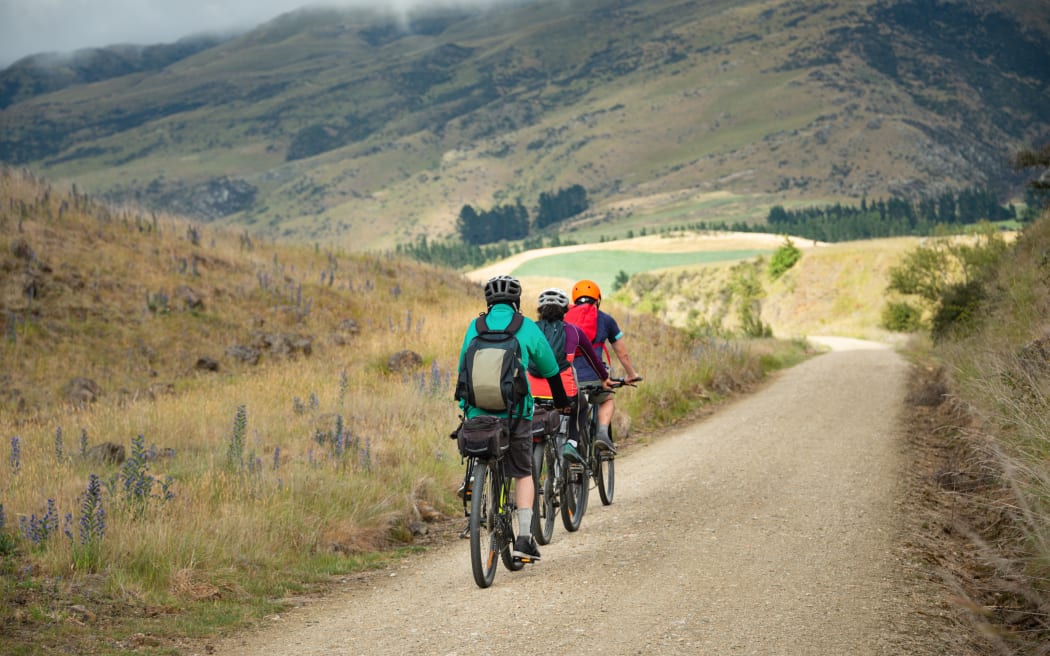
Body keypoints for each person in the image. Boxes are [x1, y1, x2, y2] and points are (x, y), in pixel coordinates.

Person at [457, 275, 571, 562]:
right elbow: (549, 369)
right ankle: (523, 538)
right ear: (516, 301)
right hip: (516, 413)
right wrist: (561, 402)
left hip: (477, 412)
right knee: (522, 472)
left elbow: (462, 369)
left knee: (481, 443)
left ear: (489, 302)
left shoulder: (476, 326)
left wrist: (465, 405)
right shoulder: (526, 327)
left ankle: (474, 479)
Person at [526, 288, 612, 465]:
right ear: (566, 310)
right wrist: (604, 378)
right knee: (581, 407)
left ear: (540, 309)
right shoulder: (573, 331)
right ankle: (571, 444)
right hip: (563, 390)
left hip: (532, 390)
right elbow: (594, 360)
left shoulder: (530, 329)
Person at [569, 279, 643, 454]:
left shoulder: (565, 319)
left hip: (568, 378)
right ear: (598, 300)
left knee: (569, 408)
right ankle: (602, 433)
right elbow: (622, 353)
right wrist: (631, 374)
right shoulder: (606, 320)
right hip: (595, 378)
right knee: (607, 399)